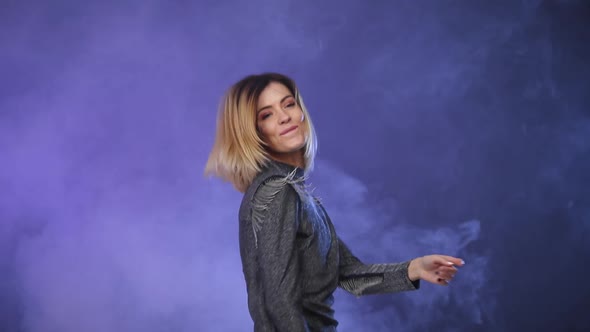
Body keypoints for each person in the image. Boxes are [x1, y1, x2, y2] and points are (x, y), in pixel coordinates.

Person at [205, 72, 465, 331]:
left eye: (288, 104)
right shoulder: (278, 193)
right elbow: (279, 301)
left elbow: (347, 273)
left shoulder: (298, 195)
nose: (285, 117)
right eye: (266, 114)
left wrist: (415, 268)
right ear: (253, 132)